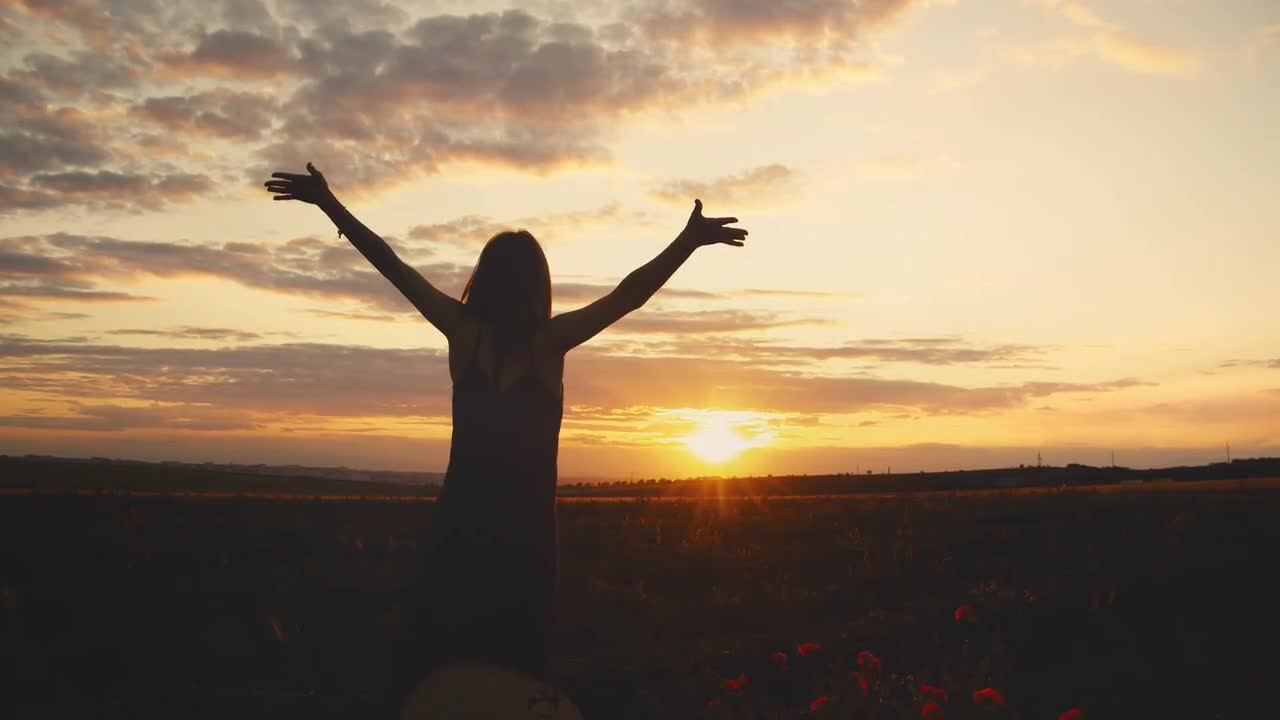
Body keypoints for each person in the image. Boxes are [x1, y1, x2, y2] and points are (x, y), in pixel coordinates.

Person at [264, 163, 748, 708]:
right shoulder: (550, 342)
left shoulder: (463, 331)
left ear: (485, 279)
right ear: (538, 285)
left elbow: (391, 264)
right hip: (525, 538)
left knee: (440, 664)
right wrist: (687, 241)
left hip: (460, 529)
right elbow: (627, 295)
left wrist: (329, 203)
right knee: (514, 671)